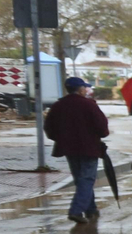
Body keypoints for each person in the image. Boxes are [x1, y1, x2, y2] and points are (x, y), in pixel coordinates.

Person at [43, 76, 110, 224]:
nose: (86, 90)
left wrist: (61, 139)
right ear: (80, 89)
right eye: (84, 88)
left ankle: (91, 209)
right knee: (87, 179)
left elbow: (49, 128)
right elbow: (103, 129)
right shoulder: (89, 105)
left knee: (82, 180)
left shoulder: (58, 106)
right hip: (89, 148)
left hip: (69, 149)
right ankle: (76, 210)